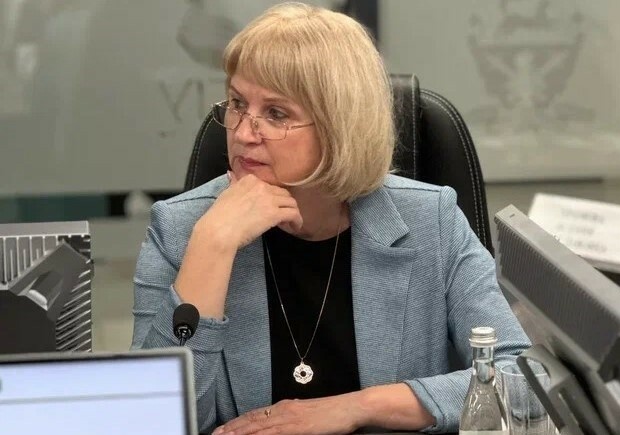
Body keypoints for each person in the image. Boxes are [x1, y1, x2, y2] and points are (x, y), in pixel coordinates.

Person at [131, 2, 531, 434]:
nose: (243, 133)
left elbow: (521, 380)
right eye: (237, 103)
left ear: (340, 127)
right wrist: (212, 247)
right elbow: (151, 419)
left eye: (277, 113)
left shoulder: (430, 220)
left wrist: (356, 407)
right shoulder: (182, 228)